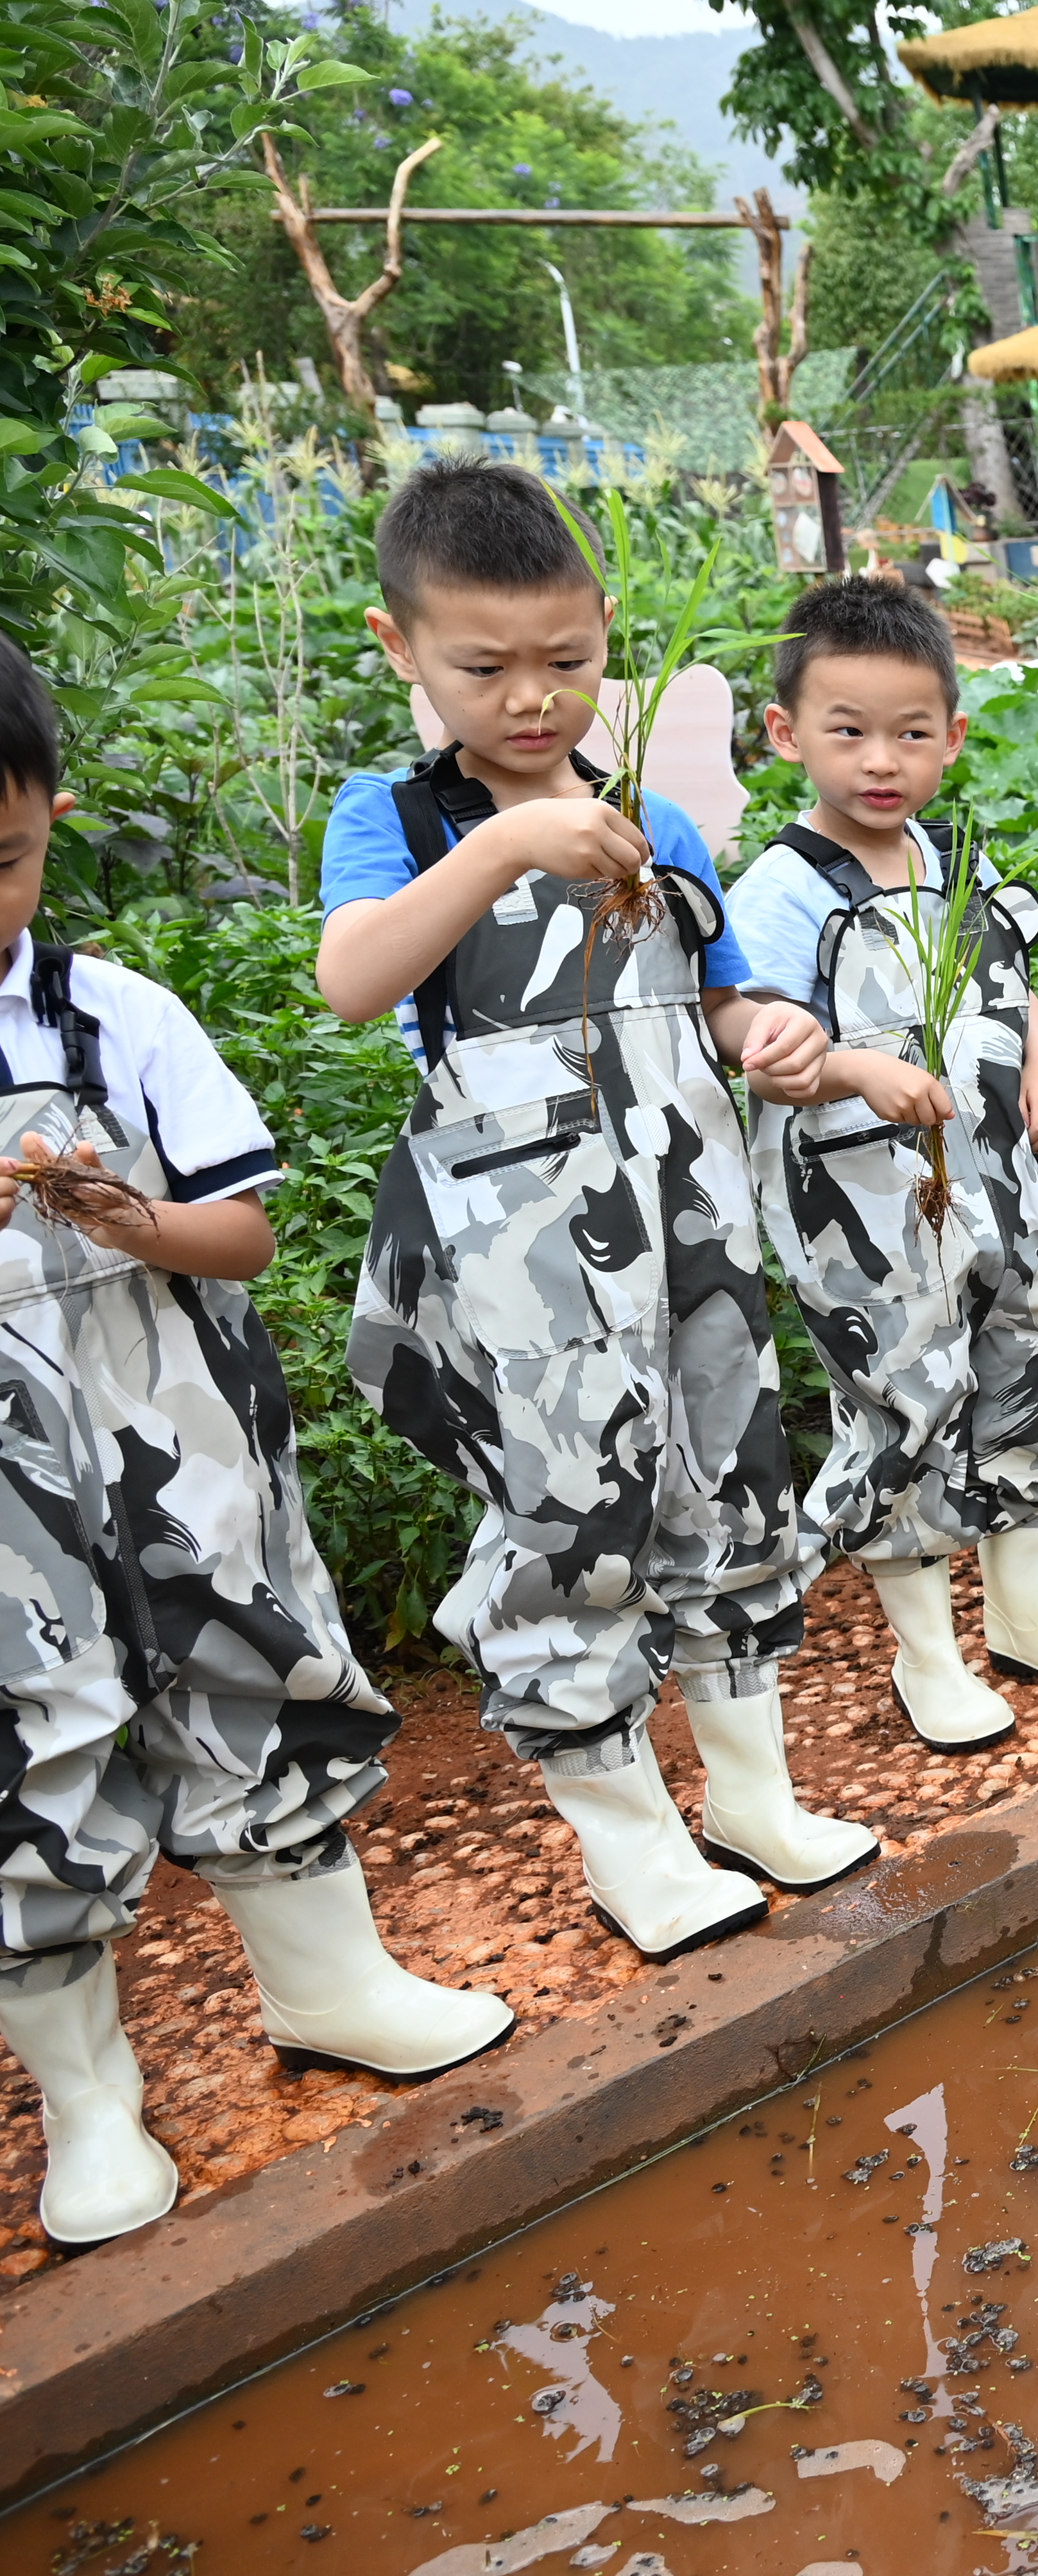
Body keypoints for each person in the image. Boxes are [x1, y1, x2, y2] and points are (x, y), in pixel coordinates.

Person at [0, 640, 511, 2250]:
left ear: (48, 823)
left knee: (250, 1663)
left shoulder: (110, 1017)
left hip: (172, 1426)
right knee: (29, 1734)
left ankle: (328, 1984)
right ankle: (87, 2095)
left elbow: (243, 1236)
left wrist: (126, 1212)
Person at [326, 459, 867, 1965]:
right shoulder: (401, 819)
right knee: (575, 1519)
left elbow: (716, 1006)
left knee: (731, 1480)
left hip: (687, 1230)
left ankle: (751, 1794)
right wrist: (502, 842)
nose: (531, 700)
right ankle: (630, 1839)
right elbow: (356, 977)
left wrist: (772, 1032)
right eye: (483, 667)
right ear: (400, 648)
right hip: (531, 1262)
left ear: (606, 636)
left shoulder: (657, 824)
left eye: (567, 662)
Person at [729, 578, 1038, 1749]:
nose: (883, 761)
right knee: (903, 1394)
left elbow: (1000, 979)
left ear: (954, 738)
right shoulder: (779, 892)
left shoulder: (945, 849)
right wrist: (855, 1070)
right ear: (786, 735)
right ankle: (932, 1657)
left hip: (996, 1169)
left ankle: (1034, 1614)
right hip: (859, 1195)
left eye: (913, 735)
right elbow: (762, 1050)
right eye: (848, 732)